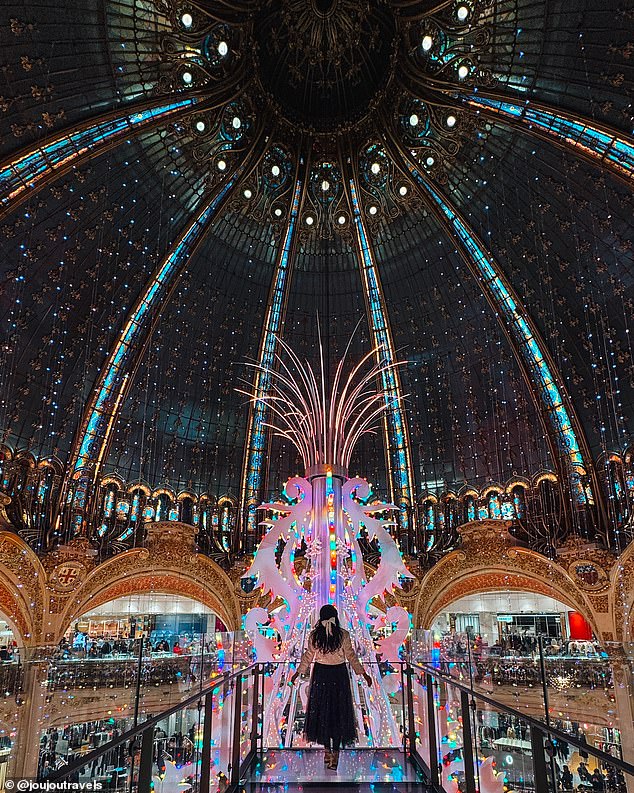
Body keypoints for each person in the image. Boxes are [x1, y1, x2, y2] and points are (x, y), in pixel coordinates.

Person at [290, 604, 371, 771]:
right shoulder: (343, 635)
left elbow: (308, 656)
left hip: (321, 675)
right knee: (339, 715)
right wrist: (363, 673)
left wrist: (298, 673)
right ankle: (335, 755)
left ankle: (328, 752)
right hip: (339, 676)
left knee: (324, 715)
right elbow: (351, 656)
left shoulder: (315, 636)